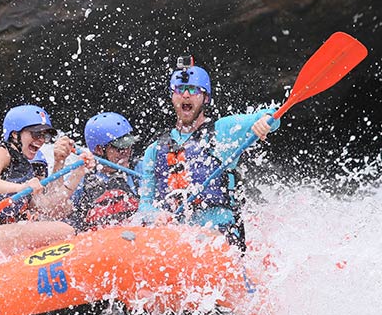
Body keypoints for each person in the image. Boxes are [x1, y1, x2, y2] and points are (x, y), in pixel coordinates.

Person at [136, 58, 279, 250]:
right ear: (172, 97)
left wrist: (265, 120)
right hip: (177, 240)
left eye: (194, 90)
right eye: (180, 89)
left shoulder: (223, 131)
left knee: (200, 243)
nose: (186, 95)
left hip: (221, 235)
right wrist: (155, 216)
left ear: (205, 98)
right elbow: (144, 206)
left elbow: (272, 117)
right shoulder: (154, 149)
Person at [0, 104, 94, 253]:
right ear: (15, 134)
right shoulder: (0, 151)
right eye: (36, 134)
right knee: (63, 231)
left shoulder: (24, 168)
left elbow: (50, 209)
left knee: (60, 226)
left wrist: (73, 169)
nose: (41, 140)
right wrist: (21, 187)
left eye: (45, 136)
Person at [69, 112, 140, 231]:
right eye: (120, 147)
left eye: (128, 145)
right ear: (99, 149)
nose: (127, 151)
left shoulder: (139, 169)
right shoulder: (82, 177)